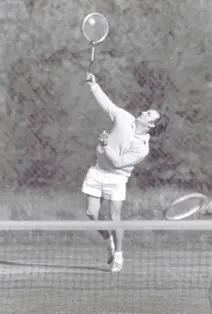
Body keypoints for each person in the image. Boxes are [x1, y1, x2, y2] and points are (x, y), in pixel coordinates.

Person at [81, 72, 169, 272]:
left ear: (151, 125)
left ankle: (119, 256)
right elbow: (107, 104)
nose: (144, 112)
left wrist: (104, 146)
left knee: (115, 217)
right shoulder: (123, 118)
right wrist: (94, 85)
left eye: (149, 114)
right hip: (97, 171)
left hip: (117, 178)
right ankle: (108, 243)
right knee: (91, 213)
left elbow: (119, 163)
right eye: (147, 111)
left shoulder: (142, 148)